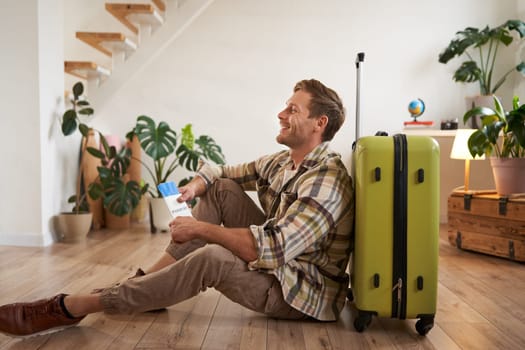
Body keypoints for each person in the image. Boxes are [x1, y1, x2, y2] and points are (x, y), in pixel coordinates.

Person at [0, 79, 354, 337]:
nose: (281, 113)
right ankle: (146, 286)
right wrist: (197, 185)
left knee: (212, 257)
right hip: (284, 267)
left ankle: (73, 307)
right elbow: (221, 172)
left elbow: (273, 249)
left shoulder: (326, 180)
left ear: (319, 124)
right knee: (224, 190)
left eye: (293, 109)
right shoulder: (283, 162)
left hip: (302, 292)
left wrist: (200, 229)